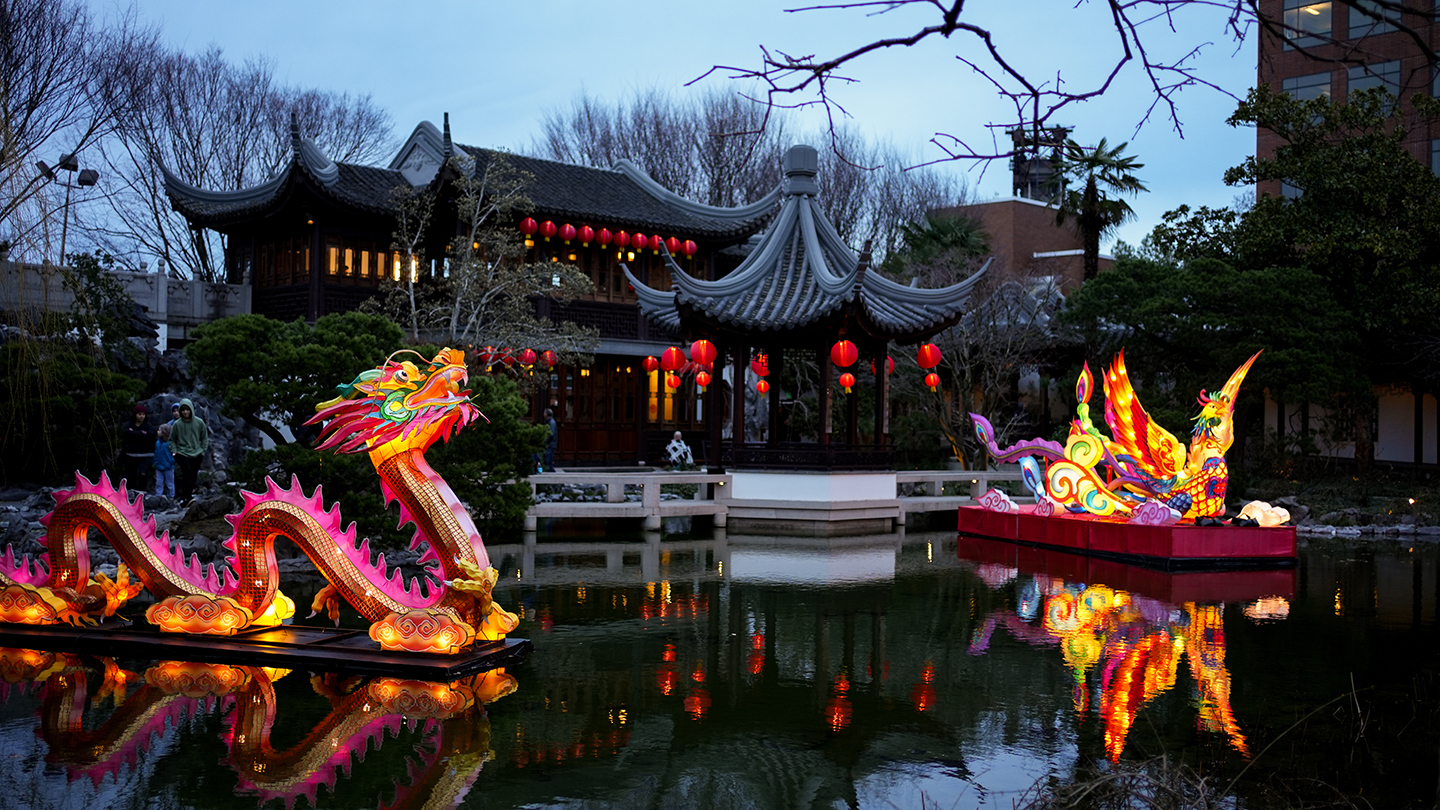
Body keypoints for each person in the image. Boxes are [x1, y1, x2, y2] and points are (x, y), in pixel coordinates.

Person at [171, 398, 210, 504]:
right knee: (186, 472)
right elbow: (172, 439)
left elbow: (204, 437)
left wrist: (202, 450)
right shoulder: (177, 424)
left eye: (187, 410)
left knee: (193, 475)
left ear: (191, 410)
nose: (185, 412)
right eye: (183, 410)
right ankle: (186, 497)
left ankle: (186, 497)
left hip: (197, 453)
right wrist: (174, 452)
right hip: (182, 452)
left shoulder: (199, 422)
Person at [120, 403, 155, 490]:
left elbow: (151, 436)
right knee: (131, 477)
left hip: (146, 455)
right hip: (130, 455)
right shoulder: (128, 424)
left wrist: (134, 434)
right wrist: (140, 433)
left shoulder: (148, 426)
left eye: (143, 414)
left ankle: (141, 495)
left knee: (142, 474)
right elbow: (126, 434)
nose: (141, 416)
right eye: (139, 414)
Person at [153, 423, 176, 499]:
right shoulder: (158, 442)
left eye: (159, 430)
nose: (158, 431)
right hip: (159, 466)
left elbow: (175, 453)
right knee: (159, 482)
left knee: (170, 483)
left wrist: (171, 462)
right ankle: (158, 496)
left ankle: (171, 497)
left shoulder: (170, 443)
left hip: (168, 467)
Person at [543, 408, 558, 472]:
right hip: (551, 444)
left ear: (546, 414)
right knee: (548, 460)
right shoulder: (550, 422)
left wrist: (545, 442)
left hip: (550, 445)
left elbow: (551, 434)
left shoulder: (551, 423)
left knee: (548, 461)